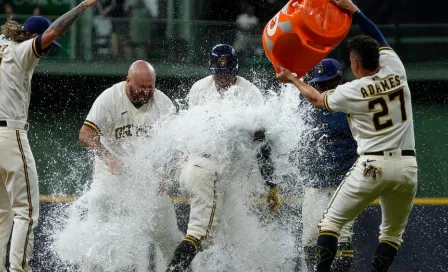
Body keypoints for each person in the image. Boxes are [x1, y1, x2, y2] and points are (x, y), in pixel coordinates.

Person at [276, 0, 418, 271]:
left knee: (330, 225)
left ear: (353, 63)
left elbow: (317, 99)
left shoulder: (353, 91)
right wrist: (355, 10)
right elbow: (379, 36)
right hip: (408, 167)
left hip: (372, 165)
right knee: (391, 236)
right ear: (380, 56)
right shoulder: (396, 69)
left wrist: (293, 79)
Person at [0, 1, 99, 271]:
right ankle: (19, 269)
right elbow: (54, 32)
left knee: (1, 213)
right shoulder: (22, 51)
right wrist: (79, 7)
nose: (45, 52)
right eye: (42, 46)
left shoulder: (3, 46)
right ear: (34, 37)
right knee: (27, 212)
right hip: (10, 134)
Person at [166, 44, 281, 271]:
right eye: (218, 74)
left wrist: (270, 182)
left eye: (227, 73)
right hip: (207, 171)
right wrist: (271, 184)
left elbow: (260, 141)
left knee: (223, 231)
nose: (223, 78)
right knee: (200, 234)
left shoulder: (250, 93)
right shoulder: (199, 88)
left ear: (235, 70)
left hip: (210, 171)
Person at [78, 60, 183, 270]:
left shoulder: (163, 104)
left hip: (147, 177)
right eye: (141, 86)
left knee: (170, 238)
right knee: (99, 237)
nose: (145, 91)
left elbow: (177, 145)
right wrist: (107, 157)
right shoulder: (109, 98)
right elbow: (85, 134)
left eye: (150, 87)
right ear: (128, 81)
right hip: (110, 175)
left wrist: (166, 172)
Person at [296, 59, 358, 272]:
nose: (323, 87)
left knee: (342, 237)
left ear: (339, 80)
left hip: (346, 180)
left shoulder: (353, 102)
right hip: (316, 179)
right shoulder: (305, 102)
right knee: (310, 238)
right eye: (320, 84)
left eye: (327, 83)